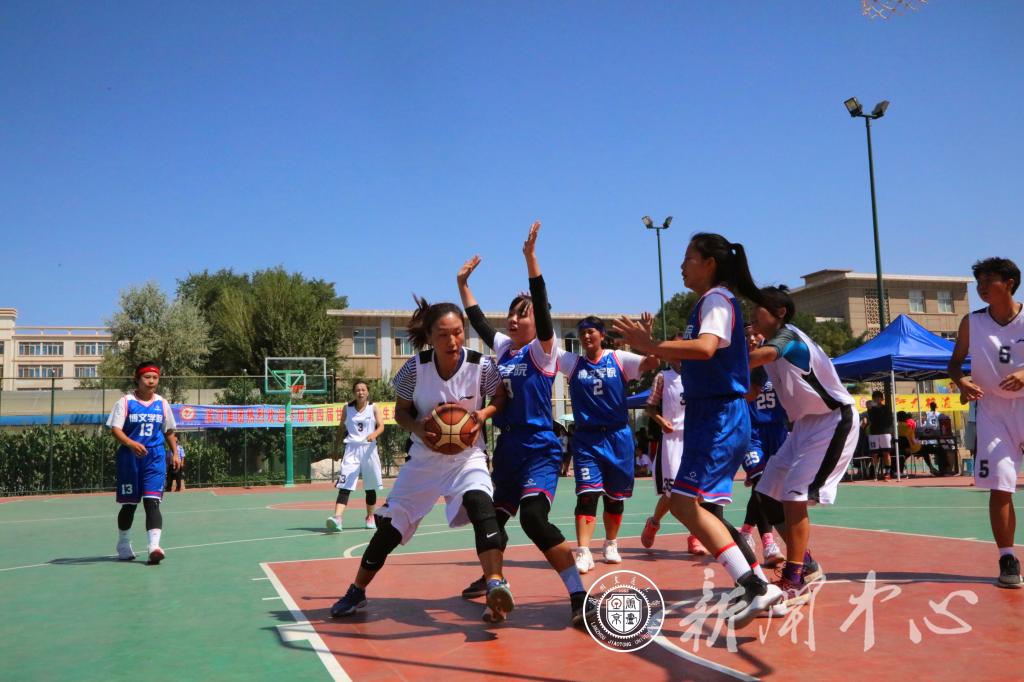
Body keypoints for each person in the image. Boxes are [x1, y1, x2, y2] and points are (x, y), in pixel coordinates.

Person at [614, 233, 783, 628]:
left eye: (688, 257)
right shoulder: (710, 301)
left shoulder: (717, 300)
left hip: (718, 415)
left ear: (710, 263)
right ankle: (757, 583)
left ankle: (754, 586)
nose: (682, 265)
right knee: (700, 509)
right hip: (711, 415)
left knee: (685, 505)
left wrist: (652, 344)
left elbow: (706, 348)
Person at [330, 298, 515, 621]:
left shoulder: (481, 365)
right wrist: (419, 427)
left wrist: (483, 414)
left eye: (458, 332)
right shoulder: (414, 368)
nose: (452, 340)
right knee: (390, 527)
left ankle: (495, 585)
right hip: (424, 459)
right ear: (429, 336)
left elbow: (500, 397)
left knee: (481, 504)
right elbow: (400, 412)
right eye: (443, 334)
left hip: (467, 455)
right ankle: (357, 590)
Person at [455, 221, 595, 626]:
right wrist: (463, 284)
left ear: (538, 323)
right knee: (491, 521)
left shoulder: (543, 350)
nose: (513, 320)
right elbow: (478, 320)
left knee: (534, 518)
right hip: (508, 449)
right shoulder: (504, 349)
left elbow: (542, 305)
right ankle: (494, 584)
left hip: (539, 448)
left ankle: (578, 595)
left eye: (522, 315)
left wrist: (531, 259)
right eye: (511, 315)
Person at [748, 285, 859, 614]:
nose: (753, 314)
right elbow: (751, 392)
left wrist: (713, 355)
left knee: (794, 496)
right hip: (802, 426)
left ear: (780, 313)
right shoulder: (765, 346)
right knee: (766, 494)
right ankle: (806, 564)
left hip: (832, 420)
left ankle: (794, 580)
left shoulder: (789, 338)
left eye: (759, 308)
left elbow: (761, 357)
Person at [557, 315, 659, 574]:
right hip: (587, 438)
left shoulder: (618, 358)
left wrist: (646, 339)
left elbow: (653, 363)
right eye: (582, 333)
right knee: (587, 494)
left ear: (602, 335)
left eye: (591, 331)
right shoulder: (572, 363)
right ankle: (583, 551)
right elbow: (544, 346)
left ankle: (611, 544)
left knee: (615, 497)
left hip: (617, 436)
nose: (586, 336)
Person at [948, 257, 1024, 589]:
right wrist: (961, 381)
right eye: (978, 282)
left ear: (1009, 283)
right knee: (1000, 484)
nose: (980, 288)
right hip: (992, 409)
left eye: (987, 281)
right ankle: (1007, 557)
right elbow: (954, 364)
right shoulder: (972, 322)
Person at [107, 361, 180, 564]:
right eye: (147, 377)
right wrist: (131, 443)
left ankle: (154, 547)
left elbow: (169, 431)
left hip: (155, 457)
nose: (151, 381)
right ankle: (123, 543)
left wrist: (175, 453)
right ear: (137, 379)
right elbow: (115, 429)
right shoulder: (126, 402)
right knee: (129, 505)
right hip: (130, 458)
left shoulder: (162, 403)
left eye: (155, 378)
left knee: (152, 501)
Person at [640, 349, 709, 556]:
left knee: (697, 491)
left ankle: (695, 536)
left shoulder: (699, 375)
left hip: (694, 437)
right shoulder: (663, 377)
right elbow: (650, 407)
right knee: (672, 493)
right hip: (672, 438)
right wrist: (662, 421)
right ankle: (654, 522)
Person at [739, 325, 788, 567]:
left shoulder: (777, 362)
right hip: (751, 433)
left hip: (778, 432)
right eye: (746, 335)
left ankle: (746, 531)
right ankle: (769, 543)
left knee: (771, 489)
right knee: (762, 483)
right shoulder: (738, 366)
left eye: (754, 334)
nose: (751, 338)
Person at [326, 380, 385, 532]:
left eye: (363, 389)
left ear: (368, 392)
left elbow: (381, 426)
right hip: (351, 450)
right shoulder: (347, 408)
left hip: (369, 450)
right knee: (345, 484)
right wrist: (336, 449)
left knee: (370, 487)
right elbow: (341, 429)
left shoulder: (373, 407)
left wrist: (374, 434)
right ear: (354, 393)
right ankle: (337, 518)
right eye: (358, 390)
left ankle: (370, 517)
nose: (360, 392)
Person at [896, 410, 944, 477]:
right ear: (905, 418)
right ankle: (939, 469)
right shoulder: (908, 427)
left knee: (924, 450)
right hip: (913, 448)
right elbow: (913, 441)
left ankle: (931, 468)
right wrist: (918, 442)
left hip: (903, 449)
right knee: (936, 449)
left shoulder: (896, 428)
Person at [866, 390, 895, 481]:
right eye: (875, 398)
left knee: (886, 453)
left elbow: (889, 420)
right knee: (874, 453)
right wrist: (870, 406)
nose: (877, 399)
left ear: (882, 399)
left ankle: (887, 473)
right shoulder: (871, 408)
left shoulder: (886, 408)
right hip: (874, 433)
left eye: (879, 398)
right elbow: (870, 415)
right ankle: (874, 472)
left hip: (885, 432)